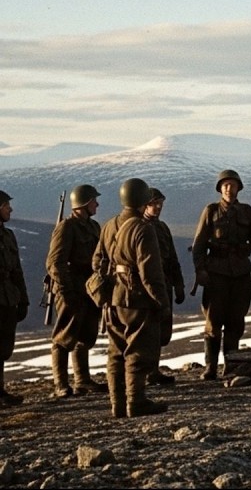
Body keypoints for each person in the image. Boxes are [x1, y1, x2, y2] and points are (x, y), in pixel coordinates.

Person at [94, 178, 168, 417]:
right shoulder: (143, 228)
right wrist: (160, 301)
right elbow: (150, 272)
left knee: (116, 353)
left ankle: (117, 404)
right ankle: (136, 401)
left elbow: (98, 262)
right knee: (136, 351)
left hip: (113, 297)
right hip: (136, 298)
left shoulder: (109, 226)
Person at [191, 169, 251, 380]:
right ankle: (210, 367)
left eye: (232, 185)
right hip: (216, 273)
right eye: (225, 186)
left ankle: (230, 364)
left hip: (241, 273)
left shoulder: (247, 212)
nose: (229, 189)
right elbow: (199, 244)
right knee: (213, 322)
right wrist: (200, 269)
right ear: (220, 189)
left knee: (235, 321)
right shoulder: (211, 211)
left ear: (239, 188)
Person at [46, 184, 106, 398]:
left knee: (86, 335)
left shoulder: (93, 227)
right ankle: (61, 384)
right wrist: (66, 290)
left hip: (89, 288)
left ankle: (82, 380)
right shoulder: (66, 227)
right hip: (71, 288)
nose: (97, 204)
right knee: (63, 337)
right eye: (93, 201)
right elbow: (55, 262)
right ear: (84, 203)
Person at [142, 188, 184, 385]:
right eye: (153, 203)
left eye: (160, 204)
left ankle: (153, 370)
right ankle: (142, 373)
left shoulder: (163, 228)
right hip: (146, 286)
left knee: (161, 332)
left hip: (164, 283)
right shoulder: (138, 227)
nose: (157, 207)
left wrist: (179, 284)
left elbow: (172, 258)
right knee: (147, 332)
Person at [0, 191, 29, 406]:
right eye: (5, 205)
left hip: (7, 296)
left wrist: (23, 299)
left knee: (3, 346)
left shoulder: (8, 235)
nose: (10, 209)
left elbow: (17, 271)